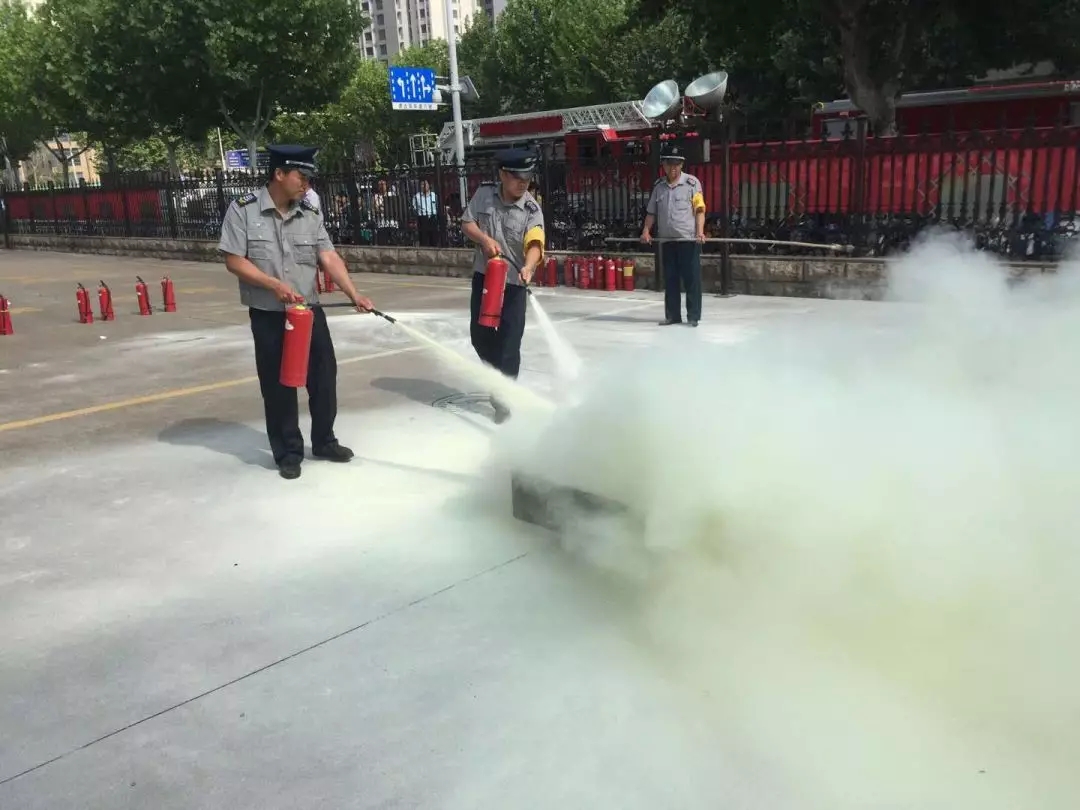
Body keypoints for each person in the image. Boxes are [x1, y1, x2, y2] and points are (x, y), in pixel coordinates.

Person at [217, 144, 375, 480]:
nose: (307, 184)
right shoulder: (244, 210)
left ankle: (325, 441)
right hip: (270, 314)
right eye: (301, 177)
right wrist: (272, 284)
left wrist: (354, 293)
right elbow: (234, 260)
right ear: (279, 174)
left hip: (309, 311)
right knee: (278, 386)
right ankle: (288, 451)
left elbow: (328, 256)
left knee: (323, 378)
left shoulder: (310, 213)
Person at [460, 148, 545, 423]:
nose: (524, 183)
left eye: (528, 178)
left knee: (509, 343)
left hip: (514, 284)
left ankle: (503, 401)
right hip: (485, 279)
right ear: (503, 175)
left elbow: (535, 242)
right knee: (480, 337)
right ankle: (498, 377)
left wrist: (529, 267)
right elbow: (467, 223)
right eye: (518, 177)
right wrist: (484, 240)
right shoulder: (484, 194)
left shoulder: (532, 208)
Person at [640, 142, 707, 327]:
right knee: (670, 280)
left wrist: (700, 232)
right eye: (669, 164)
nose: (673, 168)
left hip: (688, 240)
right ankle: (672, 316)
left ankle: (693, 316)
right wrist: (646, 231)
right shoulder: (659, 187)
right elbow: (651, 212)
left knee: (691, 279)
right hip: (667, 241)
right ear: (663, 165)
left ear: (682, 164)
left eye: (677, 164)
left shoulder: (692, 183)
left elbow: (700, 210)